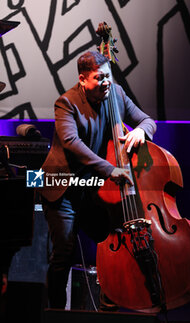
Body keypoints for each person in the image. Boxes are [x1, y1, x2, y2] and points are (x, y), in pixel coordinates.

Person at [39, 51, 156, 309]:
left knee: (114, 241)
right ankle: (57, 317)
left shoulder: (116, 93)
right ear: (82, 79)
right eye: (99, 78)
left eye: (108, 77)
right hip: (62, 188)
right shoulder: (66, 103)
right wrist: (111, 170)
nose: (106, 83)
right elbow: (72, 143)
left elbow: (148, 121)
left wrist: (140, 130)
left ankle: (108, 308)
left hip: (92, 190)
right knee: (63, 255)